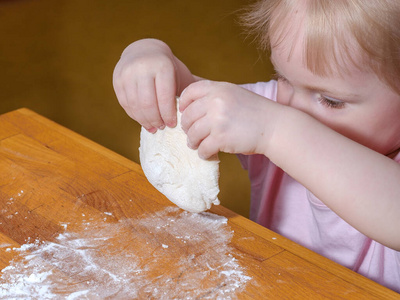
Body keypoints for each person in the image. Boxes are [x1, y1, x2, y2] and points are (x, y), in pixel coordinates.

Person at [113, 0, 400, 292]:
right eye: (284, 78)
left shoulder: (276, 122)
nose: (294, 108)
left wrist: (276, 131)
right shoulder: (276, 106)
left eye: (331, 100)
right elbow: (189, 102)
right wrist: (150, 58)